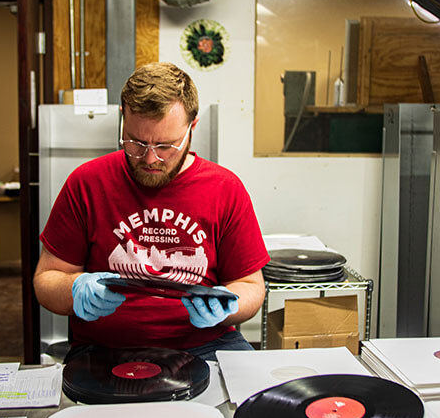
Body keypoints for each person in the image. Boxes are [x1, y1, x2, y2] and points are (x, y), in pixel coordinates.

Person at [33, 62, 269, 361]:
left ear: (192, 128)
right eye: (136, 142)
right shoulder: (87, 184)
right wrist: (74, 288)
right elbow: (46, 280)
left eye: (166, 146)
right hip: (106, 350)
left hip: (205, 345)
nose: (150, 158)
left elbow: (251, 286)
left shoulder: (225, 189)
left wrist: (230, 305)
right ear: (123, 119)